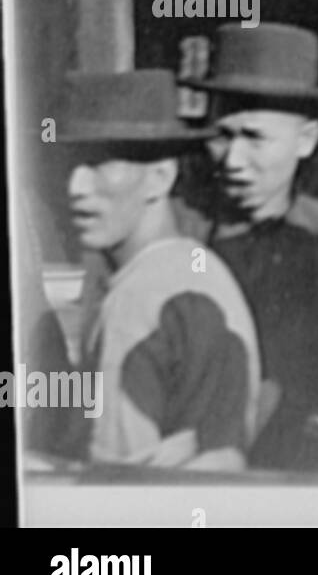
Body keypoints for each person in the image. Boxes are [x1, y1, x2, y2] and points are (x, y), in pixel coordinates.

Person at [27, 70, 260, 470]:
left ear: (160, 177)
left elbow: (116, 489)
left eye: (100, 162)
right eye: (70, 164)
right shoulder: (200, 268)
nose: (76, 186)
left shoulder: (137, 299)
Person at [179, 23, 318, 471]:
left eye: (255, 138)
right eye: (223, 135)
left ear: (307, 140)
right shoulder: (178, 233)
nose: (234, 162)